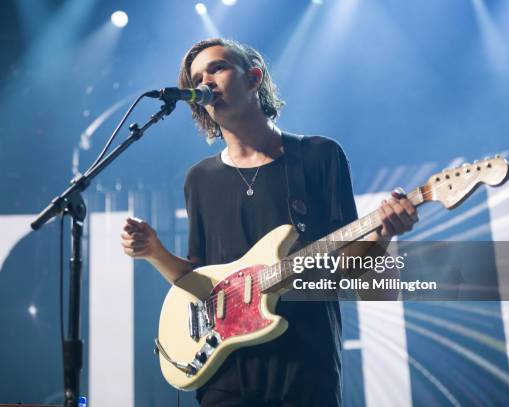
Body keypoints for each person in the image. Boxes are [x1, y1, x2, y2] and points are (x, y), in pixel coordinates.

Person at [121, 38, 418, 406]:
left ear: (254, 78)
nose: (205, 83)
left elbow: (348, 272)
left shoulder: (319, 156)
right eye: (197, 77)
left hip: (305, 364)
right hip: (225, 370)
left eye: (217, 68)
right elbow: (200, 282)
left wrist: (384, 233)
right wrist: (154, 252)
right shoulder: (200, 178)